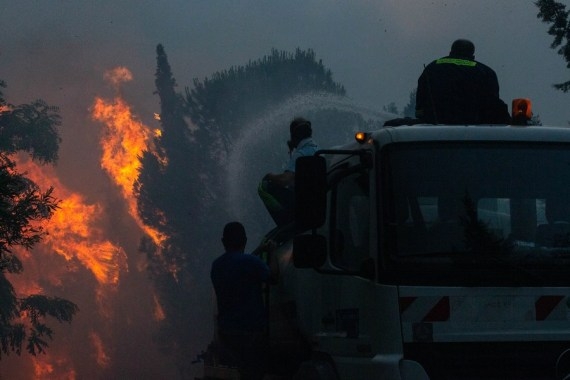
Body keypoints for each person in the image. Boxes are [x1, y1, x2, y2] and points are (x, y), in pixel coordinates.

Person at [210, 221, 279, 380]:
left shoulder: (217, 266)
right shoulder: (250, 263)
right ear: (245, 240)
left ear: (223, 241)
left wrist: (258, 251)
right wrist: (273, 252)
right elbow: (273, 277)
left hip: (227, 334)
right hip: (250, 334)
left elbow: (239, 263)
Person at [415, 39, 511, 125]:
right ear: (473, 56)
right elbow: (492, 104)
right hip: (475, 130)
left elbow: (420, 105)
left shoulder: (431, 68)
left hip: (433, 127)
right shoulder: (485, 72)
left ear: (450, 53)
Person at [258, 117, 319, 227]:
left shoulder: (300, 155)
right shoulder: (317, 151)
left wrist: (270, 176)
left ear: (295, 136)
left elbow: (285, 180)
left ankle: (286, 223)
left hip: (301, 203)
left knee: (264, 186)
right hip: (314, 202)